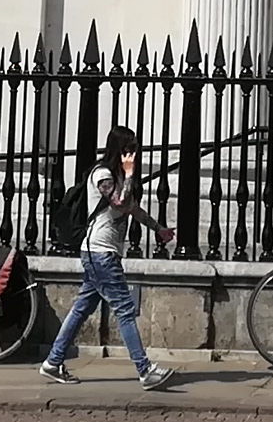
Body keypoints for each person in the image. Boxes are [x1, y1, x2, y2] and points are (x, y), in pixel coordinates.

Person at [38, 125, 174, 389]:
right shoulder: (102, 174)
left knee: (81, 309)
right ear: (117, 149)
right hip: (99, 252)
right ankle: (145, 370)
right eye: (128, 149)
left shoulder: (118, 177)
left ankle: (53, 362)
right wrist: (130, 174)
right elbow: (119, 202)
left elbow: (133, 209)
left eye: (134, 150)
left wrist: (159, 229)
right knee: (124, 310)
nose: (132, 155)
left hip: (103, 253)